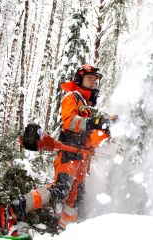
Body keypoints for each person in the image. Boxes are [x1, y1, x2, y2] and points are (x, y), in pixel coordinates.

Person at [37, 64, 116, 232]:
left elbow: (95, 130)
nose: (93, 82)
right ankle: (16, 209)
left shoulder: (88, 105)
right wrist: (94, 122)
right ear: (79, 79)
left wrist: (109, 123)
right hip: (69, 153)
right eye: (89, 79)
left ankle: (63, 230)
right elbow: (70, 121)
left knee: (74, 196)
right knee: (60, 190)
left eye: (95, 80)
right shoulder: (72, 97)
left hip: (83, 158)